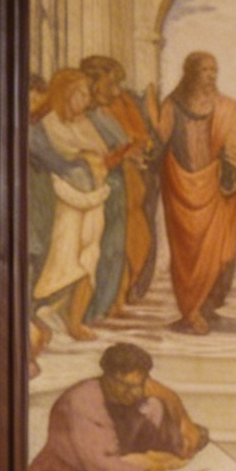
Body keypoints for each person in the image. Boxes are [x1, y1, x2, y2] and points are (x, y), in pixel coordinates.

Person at [26, 340, 205, 471]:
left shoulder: (137, 400)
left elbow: (156, 436)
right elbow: (100, 464)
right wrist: (148, 464)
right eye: (126, 386)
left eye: (139, 385)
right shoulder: (79, 404)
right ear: (108, 377)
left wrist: (178, 440)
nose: (135, 393)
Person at [155, 51, 236, 335]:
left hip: (218, 190)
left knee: (222, 251)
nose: (210, 75)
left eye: (213, 69)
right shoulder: (171, 106)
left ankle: (207, 303)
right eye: (204, 69)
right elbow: (160, 143)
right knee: (187, 253)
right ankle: (190, 311)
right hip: (181, 187)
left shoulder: (229, 108)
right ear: (190, 72)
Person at [29, 67, 116, 347]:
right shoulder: (48, 123)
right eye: (80, 93)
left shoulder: (84, 123)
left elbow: (99, 154)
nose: (85, 99)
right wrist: (85, 160)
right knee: (64, 262)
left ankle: (75, 320)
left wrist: (91, 161)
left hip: (93, 202)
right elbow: (60, 163)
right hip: (66, 204)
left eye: (86, 94)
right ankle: (43, 316)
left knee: (89, 260)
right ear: (65, 94)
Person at [85, 55, 157, 313]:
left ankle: (114, 299)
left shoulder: (104, 113)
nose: (115, 91)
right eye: (110, 84)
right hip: (104, 189)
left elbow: (127, 141)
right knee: (107, 247)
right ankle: (102, 305)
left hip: (122, 185)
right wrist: (125, 153)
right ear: (94, 83)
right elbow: (93, 156)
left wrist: (132, 150)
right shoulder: (86, 116)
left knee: (125, 244)